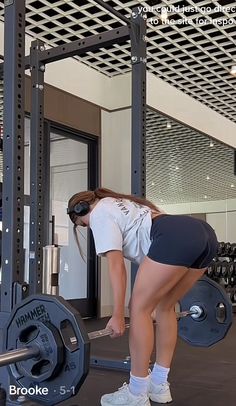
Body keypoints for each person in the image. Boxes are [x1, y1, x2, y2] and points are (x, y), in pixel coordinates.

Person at [67, 187, 218, 406]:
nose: (87, 228)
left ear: (80, 210)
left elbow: (117, 267)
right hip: (202, 233)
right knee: (166, 307)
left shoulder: (99, 212)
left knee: (138, 309)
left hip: (175, 236)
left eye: (84, 224)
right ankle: (158, 385)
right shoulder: (123, 203)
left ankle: (136, 394)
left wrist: (118, 314)